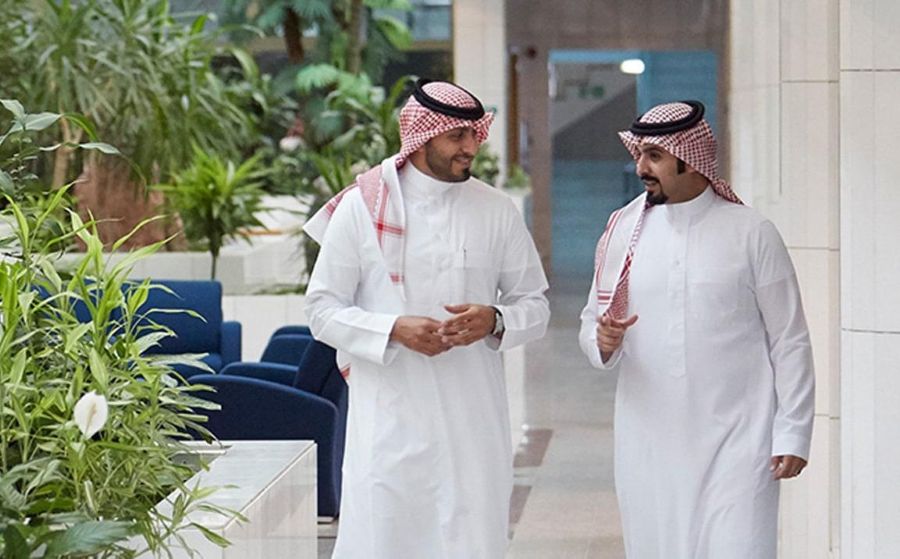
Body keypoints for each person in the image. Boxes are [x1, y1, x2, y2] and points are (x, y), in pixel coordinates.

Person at [304, 79, 550, 558]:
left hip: (472, 425)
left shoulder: (496, 210)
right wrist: (393, 329)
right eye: (457, 136)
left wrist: (495, 319)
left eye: (475, 134)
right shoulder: (360, 209)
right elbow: (321, 310)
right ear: (421, 138)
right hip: (390, 423)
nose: (470, 147)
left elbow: (535, 304)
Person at [579, 100, 815, 558]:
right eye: (639, 155)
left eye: (654, 156)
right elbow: (593, 321)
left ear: (690, 159)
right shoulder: (624, 229)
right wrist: (602, 342)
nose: (641, 168)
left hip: (739, 443)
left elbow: (790, 339)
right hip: (648, 444)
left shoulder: (751, 232)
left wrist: (793, 430)